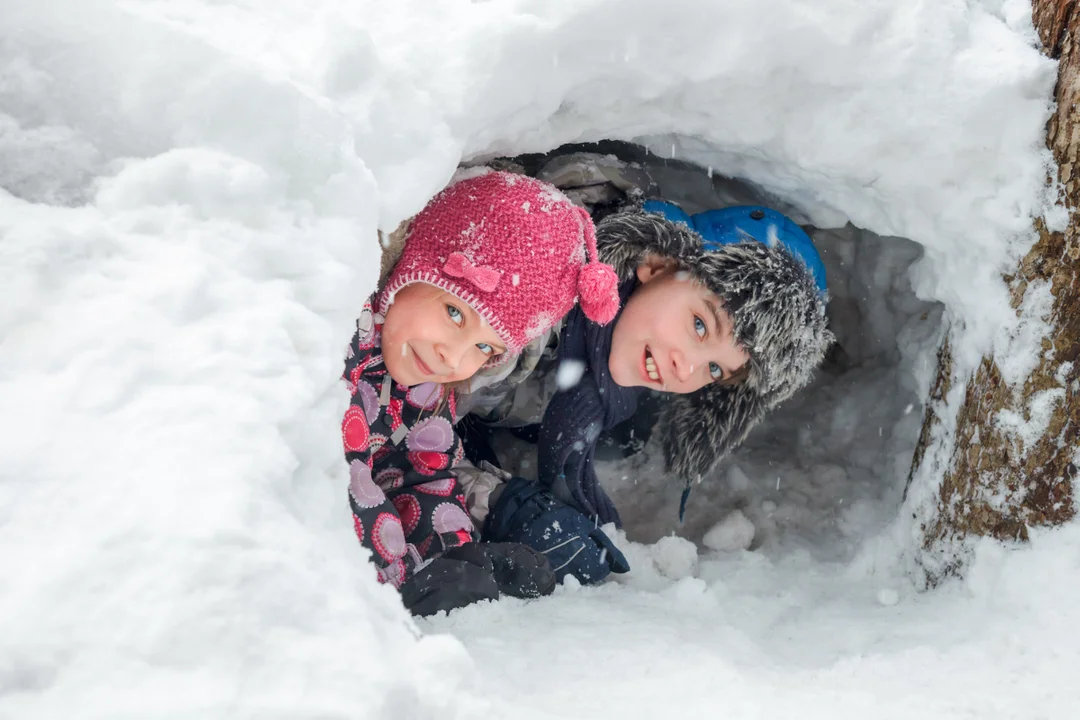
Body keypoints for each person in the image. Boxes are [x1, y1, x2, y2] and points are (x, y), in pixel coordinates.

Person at [456, 153, 834, 586]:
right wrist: (499, 501)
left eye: (714, 369)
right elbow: (398, 421)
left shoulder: (613, 359)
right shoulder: (530, 294)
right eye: (699, 325)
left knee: (624, 434)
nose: (686, 366)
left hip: (557, 379)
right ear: (657, 263)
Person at [343, 169, 620, 615]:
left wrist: (459, 556)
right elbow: (338, 486)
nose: (453, 357)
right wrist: (401, 576)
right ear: (414, 263)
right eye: (455, 312)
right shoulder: (340, 338)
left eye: (485, 347)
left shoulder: (428, 383)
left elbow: (421, 475)